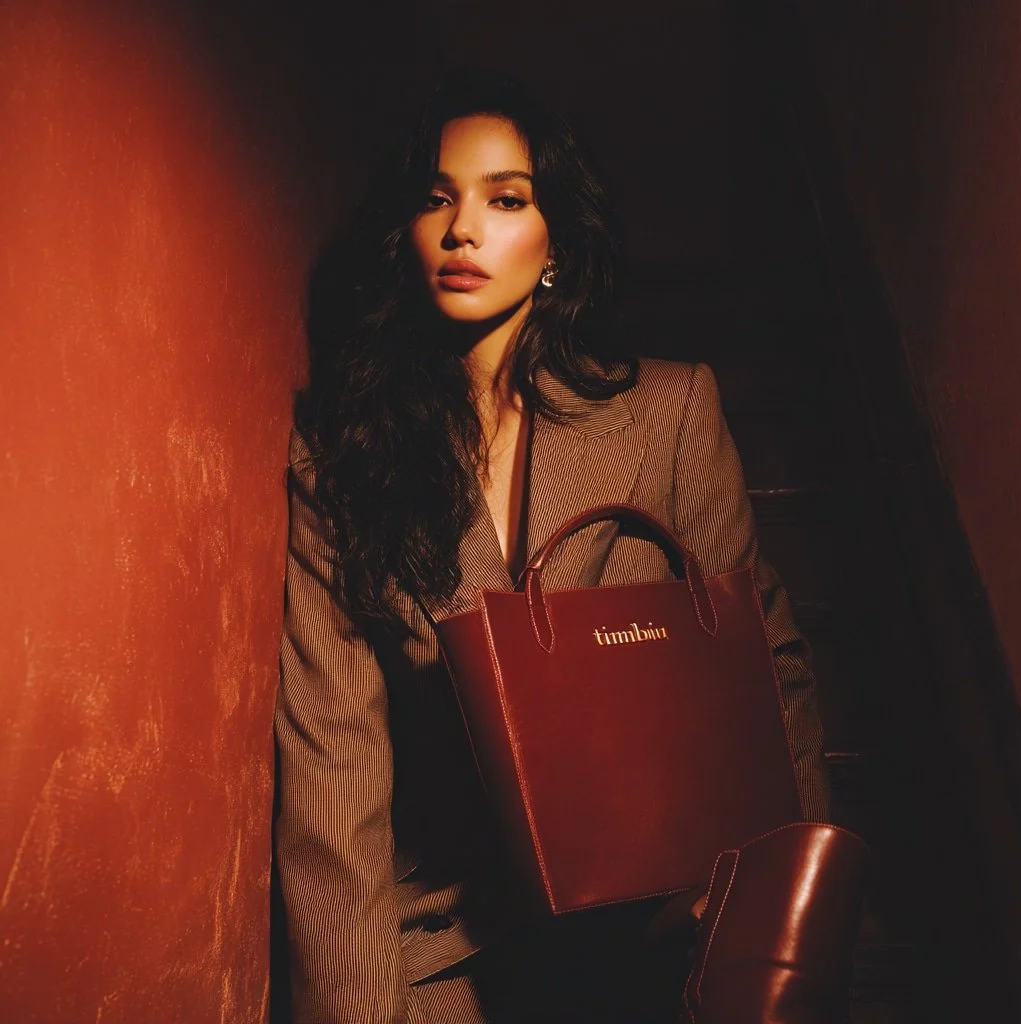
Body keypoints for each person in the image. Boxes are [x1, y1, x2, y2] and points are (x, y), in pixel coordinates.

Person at [274, 68, 831, 1024]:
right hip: (449, 952)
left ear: (556, 244)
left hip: (666, 929)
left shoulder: (666, 413)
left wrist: (778, 930)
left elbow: (769, 673)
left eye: (505, 199)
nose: (462, 231)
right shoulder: (346, 459)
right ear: (403, 237)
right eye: (436, 200)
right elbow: (335, 773)